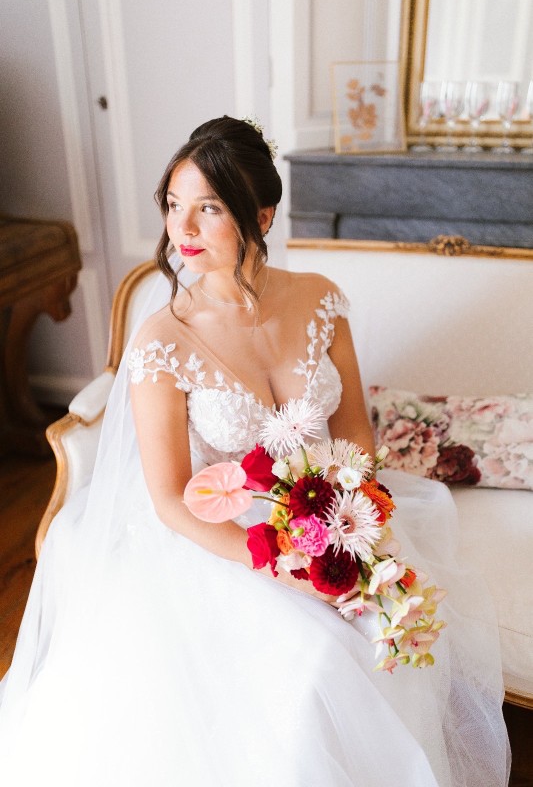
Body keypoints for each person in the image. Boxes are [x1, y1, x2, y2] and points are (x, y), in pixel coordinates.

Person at [0, 116, 510, 786]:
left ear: (260, 214)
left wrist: (348, 527)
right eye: (173, 205)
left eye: (207, 207)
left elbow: (354, 433)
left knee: (393, 641)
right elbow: (170, 500)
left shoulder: (319, 300)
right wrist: (283, 567)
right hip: (217, 538)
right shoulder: (162, 340)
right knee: (316, 669)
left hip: (328, 512)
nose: (181, 228)